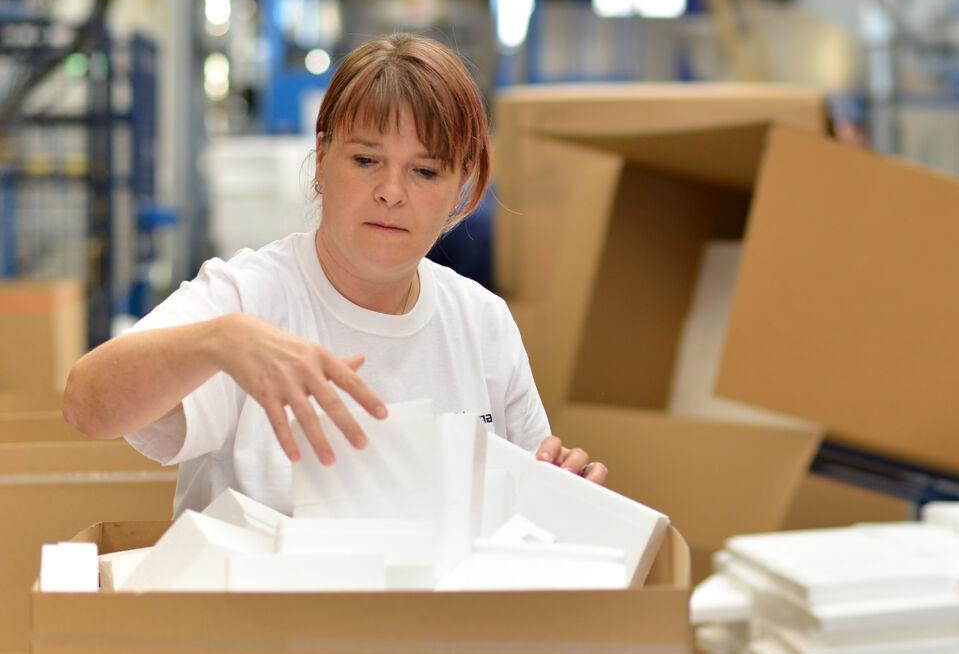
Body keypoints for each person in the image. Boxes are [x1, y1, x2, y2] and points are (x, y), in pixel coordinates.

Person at [63, 33, 606, 517]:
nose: (391, 192)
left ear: (462, 184)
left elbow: (528, 512)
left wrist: (563, 491)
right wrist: (219, 343)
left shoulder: (482, 322)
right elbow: (86, 404)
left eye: (424, 171)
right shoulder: (249, 297)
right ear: (322, 159)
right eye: (366, 160)